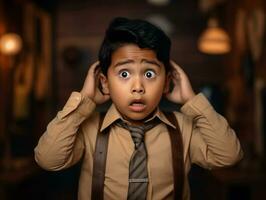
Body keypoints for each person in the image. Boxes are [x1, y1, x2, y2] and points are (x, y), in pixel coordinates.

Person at [34, 17, 243, 200]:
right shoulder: (89, 129)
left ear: (167, 82)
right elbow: (48, 159)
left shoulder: (183, 128)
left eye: (149, 74)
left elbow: (229, 156)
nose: (138, 87)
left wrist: (191, 100)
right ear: (105, 83)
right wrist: (84, 102)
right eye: (124, 74)